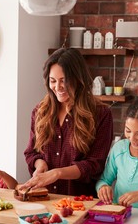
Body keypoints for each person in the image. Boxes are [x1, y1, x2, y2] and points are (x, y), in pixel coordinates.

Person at [19, 47, 113, 197]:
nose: (57, 87)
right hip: (44, 199)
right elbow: (31, 153)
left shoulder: (100, 114)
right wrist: (40, 164)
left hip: (80, 202)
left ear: (78, 78)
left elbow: (95, 164)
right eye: (53, 81)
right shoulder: (40, 112)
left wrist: (57, 173)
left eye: (64, 81)